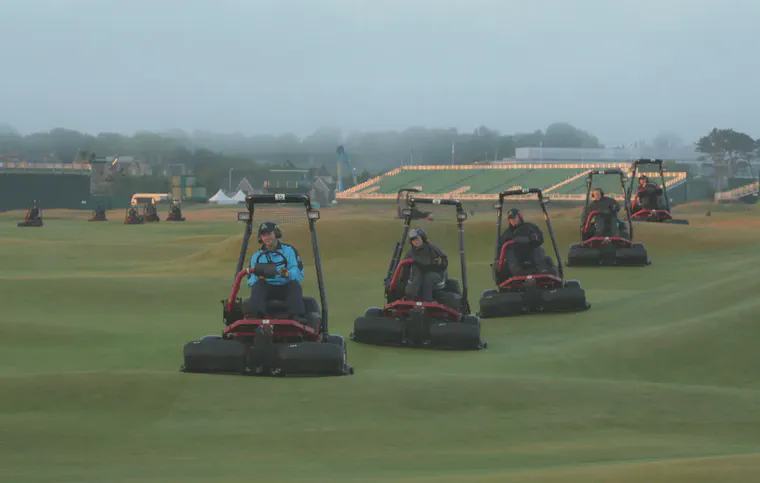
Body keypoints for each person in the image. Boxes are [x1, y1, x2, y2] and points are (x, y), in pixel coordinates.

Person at [246, 221, 306, 317]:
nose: (266, 238)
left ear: (276, 234)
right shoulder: (256, 256)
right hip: (266, 288)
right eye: (264, 235)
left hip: (285, 286)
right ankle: (258, 318)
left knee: (294, 285)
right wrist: (259, 278)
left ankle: (295, 318)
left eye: (269, 234)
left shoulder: (289, 251)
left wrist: (288, 273)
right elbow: (251, 279)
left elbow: (298, 272)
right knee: (257, 286)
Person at [498, 208, 555, 278]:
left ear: (520, 217)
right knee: (509, 254)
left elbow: (540, 238)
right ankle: (517, 273)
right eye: (510, 219)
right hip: (516, 257)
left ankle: (542, 269)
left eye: (514, 218)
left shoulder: (530, 227)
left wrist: (534, 239)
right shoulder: (506, 234)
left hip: (531, 253)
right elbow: (501, 249)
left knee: (538, 249)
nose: (513, 220)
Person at [403, 227, 448, 302]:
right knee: (415, 278)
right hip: (418, 275)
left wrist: (437, 262)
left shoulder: (433, 249)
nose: (416, 241)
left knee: (428, 277)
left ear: (423, 238)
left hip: (436, 275)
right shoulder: (410, 253)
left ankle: (427, 303)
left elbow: (444, 262)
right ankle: (411, 302)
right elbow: (405, 268)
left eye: (417, 239)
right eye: (413, 240)